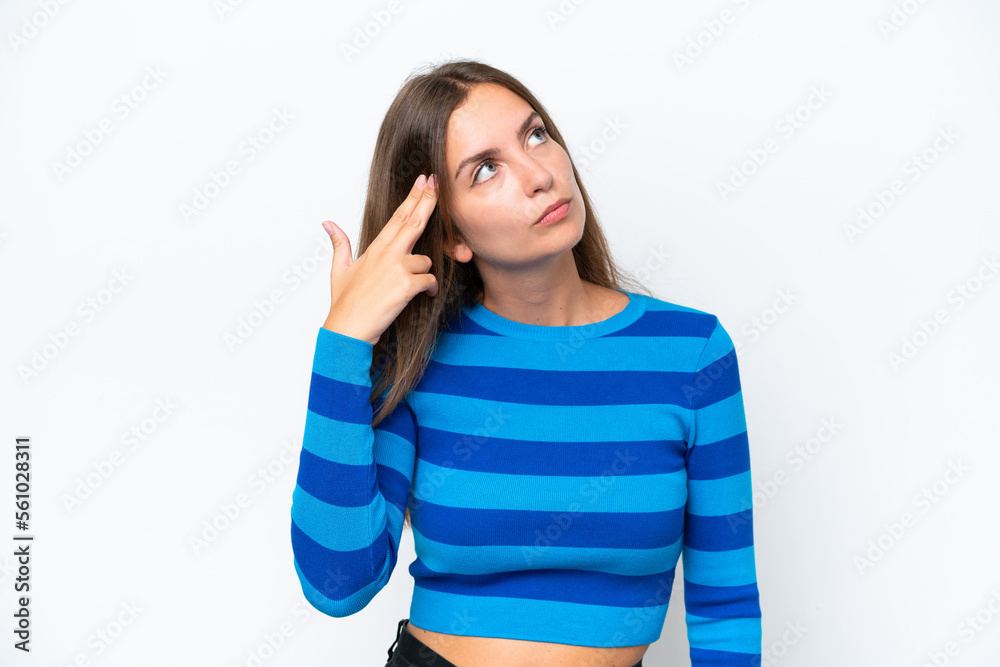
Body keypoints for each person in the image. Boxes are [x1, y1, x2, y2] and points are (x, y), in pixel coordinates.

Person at [290, 59, 762, 667]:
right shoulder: (417, 362)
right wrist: (343, 342)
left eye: (535, 134)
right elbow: (338, 583)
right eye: (485, 169)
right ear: (452, 234)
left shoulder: (691, 353)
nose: (539, 174)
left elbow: (724, 604)